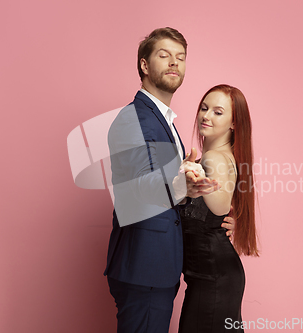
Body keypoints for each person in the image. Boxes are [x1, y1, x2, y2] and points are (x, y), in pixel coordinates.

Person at [104, 28, 234, 333]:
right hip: (144, 266)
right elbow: (134, 188)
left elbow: (165, 191)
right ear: (144, 66)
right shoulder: (133, 117)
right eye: (164, 56)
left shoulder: (163, 120)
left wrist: (218, 220)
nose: (174, 63)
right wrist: (181, 185)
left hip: (158, 265)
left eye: (181, 58)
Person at [178, 85, 259, 333]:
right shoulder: (218, 155)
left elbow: (221, 205)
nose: (206, 116)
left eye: (218, 112)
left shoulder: (212, 159)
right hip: (212, 275)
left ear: (234, 123)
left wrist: (193, 176)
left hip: (212, 276)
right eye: (204, 108)